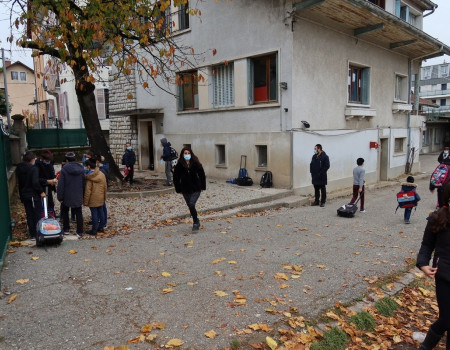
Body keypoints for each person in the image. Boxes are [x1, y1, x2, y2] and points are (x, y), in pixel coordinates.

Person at [416, 206, 450, 349]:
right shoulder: (438, 218)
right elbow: (426, 245)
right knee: (447, 318)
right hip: (444, 276)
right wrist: (423, 263)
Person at [173, 147, 206, 231]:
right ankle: (196, 220)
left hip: (196, 187)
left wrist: (203, 186)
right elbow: (176, 177)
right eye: (185, 153)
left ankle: (195, 222)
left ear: (191, 154)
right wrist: (178, 188)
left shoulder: (195, 162)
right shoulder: (179, 164)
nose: (187, 155)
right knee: (190, 206)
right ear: (182, 154)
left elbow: (202, 174)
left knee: (191, 204)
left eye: (188, 153)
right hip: (185, 188)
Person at [16, 151, 45, 240]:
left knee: (29, 214)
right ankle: (38, 232)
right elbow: (35, 182)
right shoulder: (33, 168)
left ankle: (32, 234)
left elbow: (19, 183)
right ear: (32, 159)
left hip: (24, 194)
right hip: (33, 195)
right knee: (37, 214)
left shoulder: (19, 168)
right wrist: (41, 192)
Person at [57, 152, 85, 237]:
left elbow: (61, 184)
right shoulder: (81, 168)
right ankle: (80, 231)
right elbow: (84, 183)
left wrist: (60, 196)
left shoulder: (64, 169)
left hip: (67, 194)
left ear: (66, 160)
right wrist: (82, 194)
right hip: (78, 193)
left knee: (65, 211)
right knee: (78, 212)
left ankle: (66, 229)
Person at [83, 158, 107, 236]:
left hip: (93, 198)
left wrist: (85, 202)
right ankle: (101, 227)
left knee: (94, 214)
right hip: (101, 196)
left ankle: (94, 230)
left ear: (89, 166)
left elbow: (88, 191)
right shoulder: (101, 174)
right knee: (101, 212)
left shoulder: (89, 177)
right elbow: (105, 186)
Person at [35, 150, 57, 216]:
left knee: (50, 202)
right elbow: (36, 179)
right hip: (41, 187)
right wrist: (47, 181)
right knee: (43, 203)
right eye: (47, 161)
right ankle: (43, 215)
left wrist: (53, 180)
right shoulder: (37, 164)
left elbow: (51, 172)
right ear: (42, 159)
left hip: (49, 186)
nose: (48, 162)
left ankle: (51, 214)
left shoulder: (49, 163)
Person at [96, 155, 109, 229]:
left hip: (100, 189)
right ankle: (103, 221)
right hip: (102, 188)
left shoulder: (102, 170)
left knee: (102, 207)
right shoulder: (105, 167)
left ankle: (103, 222)